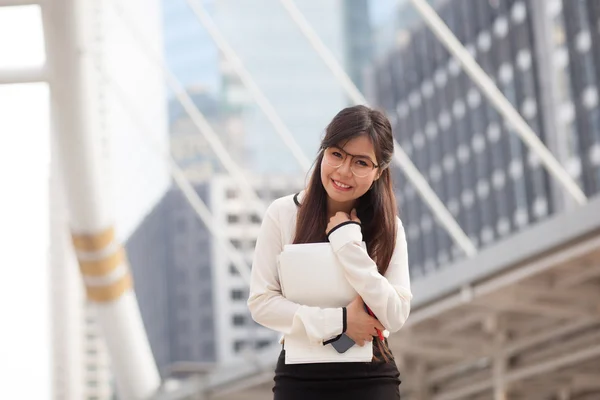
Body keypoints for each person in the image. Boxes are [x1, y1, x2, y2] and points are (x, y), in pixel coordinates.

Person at [248, 105, 412, 400]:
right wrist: (342, 322)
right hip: (300, 375)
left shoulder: (389, 228)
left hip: (370, 376)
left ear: (378, 172)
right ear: (324, 151)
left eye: (361, 163)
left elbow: (396, 315)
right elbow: (261, 303)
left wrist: (347, 243)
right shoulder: (283, 215)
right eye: (336, 154)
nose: (343, 171)